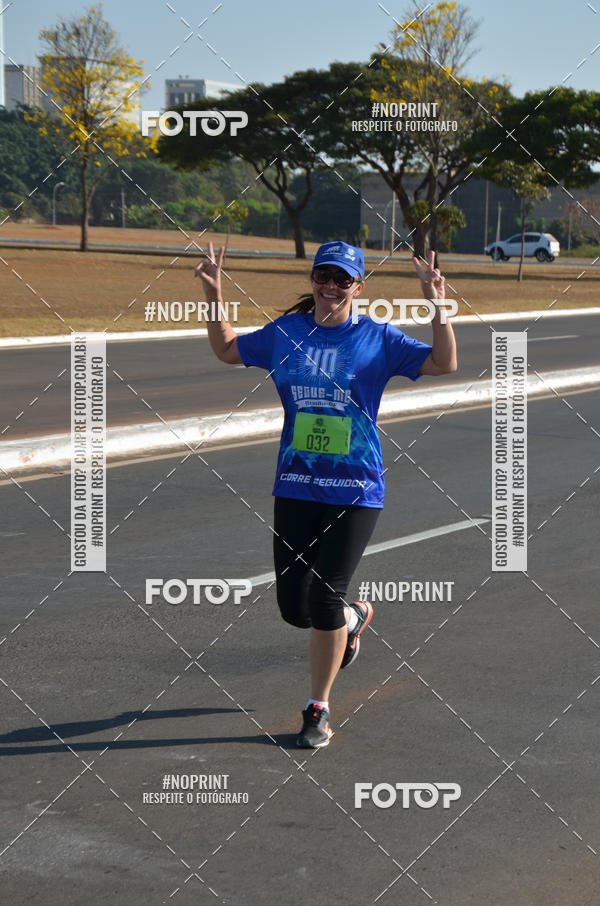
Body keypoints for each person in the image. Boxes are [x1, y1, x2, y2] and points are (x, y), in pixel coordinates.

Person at [194, 240, 457, 748]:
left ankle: (318, 707)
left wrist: (437, 304)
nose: (331, 287)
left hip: (356, 488)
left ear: (359, 287)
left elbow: (444, 364)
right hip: (295, 484)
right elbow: (227, 349)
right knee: (296, 609)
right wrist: (214, 293)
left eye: (343, 280)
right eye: (323, 277)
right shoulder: (287, 334)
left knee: (326, 595)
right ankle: (355, 619)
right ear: (312, 280)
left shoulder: (378, 339)